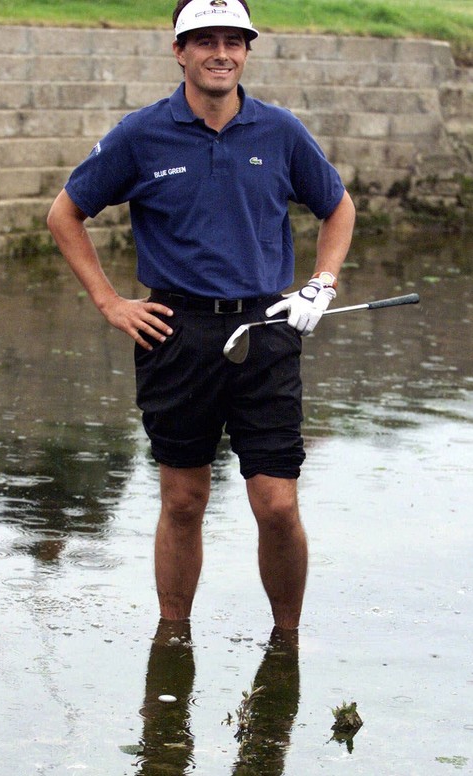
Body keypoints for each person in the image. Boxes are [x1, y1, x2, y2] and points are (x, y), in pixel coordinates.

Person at [47, 0, 356, 631]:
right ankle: (173, 636)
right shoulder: (140, 134)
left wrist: (320, 285)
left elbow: (338, 208)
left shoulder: (280, 131)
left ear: (247, 50)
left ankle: (286, 639)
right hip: (176, 332)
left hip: (268, 329)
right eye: (205, 40)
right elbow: (64, 215)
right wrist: (110, 302)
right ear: (180, 51)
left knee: (275, 504)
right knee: (184, 499)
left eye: (233, 40)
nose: (221, 52)